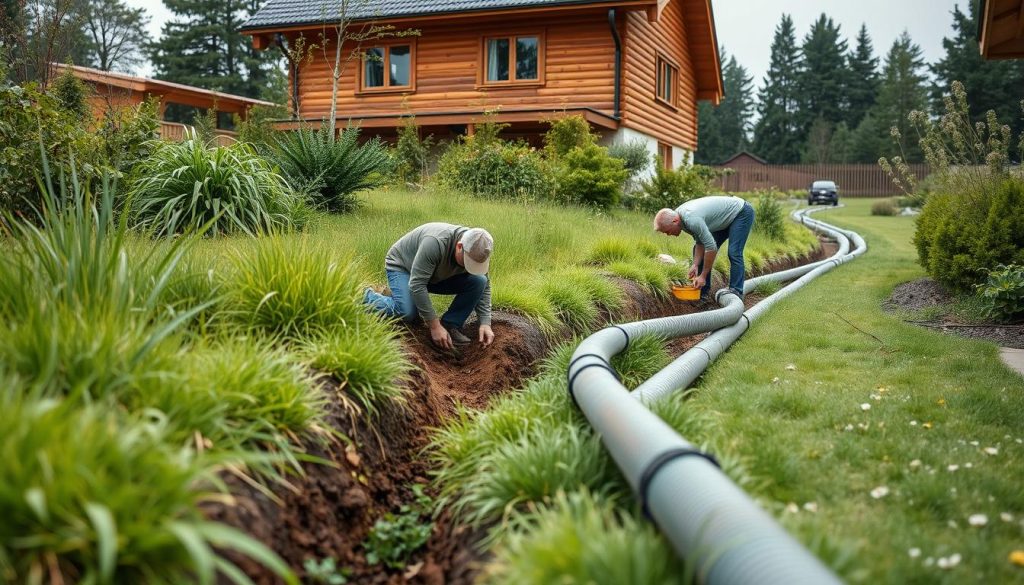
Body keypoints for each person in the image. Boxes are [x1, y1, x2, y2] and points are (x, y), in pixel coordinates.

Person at [364, 223, 495, 350]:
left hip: (436, 275)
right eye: (468, 262)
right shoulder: (435, 242)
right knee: (407, 312)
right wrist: (434, 326)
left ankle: (450, 325)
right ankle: (365, 296)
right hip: (404, 269)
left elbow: (485, 285)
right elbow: (417, 284)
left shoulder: (478, 250)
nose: (469, 267)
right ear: (460, 246)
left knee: (479, 281)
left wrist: (485, 323)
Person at [653, 195, 755, 301]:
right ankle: (703, 294)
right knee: (698, 253)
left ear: (675, 221)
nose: (669, 235)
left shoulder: (691, 219)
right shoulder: (680, 219)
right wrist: (695, 265)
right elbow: (700, 243)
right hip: (723, 219)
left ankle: (736, 291)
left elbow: (711, 248)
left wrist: (703, 275)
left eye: (667, 231)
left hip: (741, 212)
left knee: (734, 252)